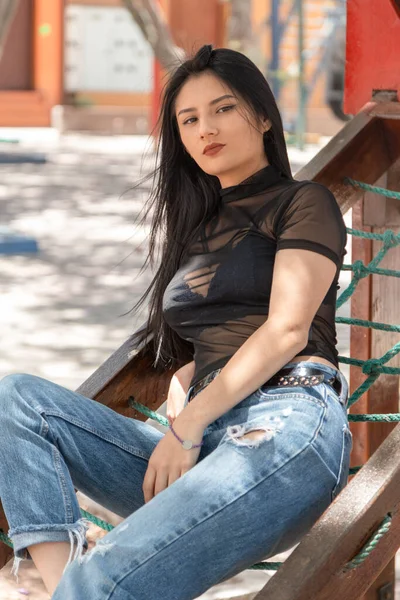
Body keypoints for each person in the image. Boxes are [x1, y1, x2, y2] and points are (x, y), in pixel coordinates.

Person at [0, 44, 352, 599]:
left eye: (223, 109)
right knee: (19, 399)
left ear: (262, 116)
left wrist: (186, 426)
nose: (205, 128)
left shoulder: (303, 202)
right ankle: (67, 582)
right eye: (189, 120)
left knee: (108, 572)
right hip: (201, 442)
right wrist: (193, 378)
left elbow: (287, 329)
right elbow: (222, 326)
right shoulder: (197, 228)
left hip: (282, 424)